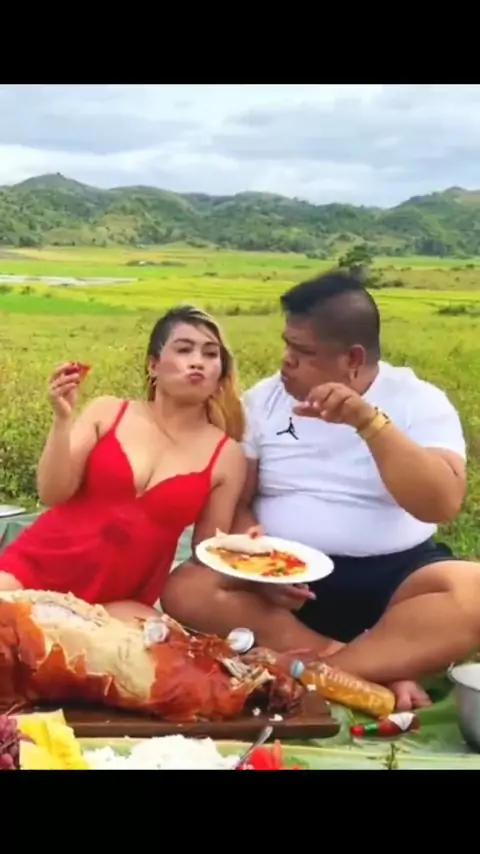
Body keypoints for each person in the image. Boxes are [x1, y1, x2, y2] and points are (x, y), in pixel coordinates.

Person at [162, 269, 480, 710]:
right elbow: (238, 501)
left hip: (395, 577)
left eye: (304, 351)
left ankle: (315, 672)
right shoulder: (263, 401)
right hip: (288, 581)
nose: (286, 360)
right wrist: (261, 569)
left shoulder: (418, 400)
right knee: (186, 589)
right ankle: (370, 663)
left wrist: (368, 423)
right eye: (287, 345)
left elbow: (440, 503)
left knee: (472, 592)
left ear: (353, 358)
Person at [0, 305, 247, 622]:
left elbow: (206, 551)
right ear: (153, 365)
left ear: (220, 375)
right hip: (34, 568)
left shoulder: (227, 455)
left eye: (211, 354)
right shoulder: (107, 412)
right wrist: (62, 421)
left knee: (160, 645)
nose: (198, 361)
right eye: (184, 349)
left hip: (117, 602)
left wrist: (244, 549)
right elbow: (52, 493)